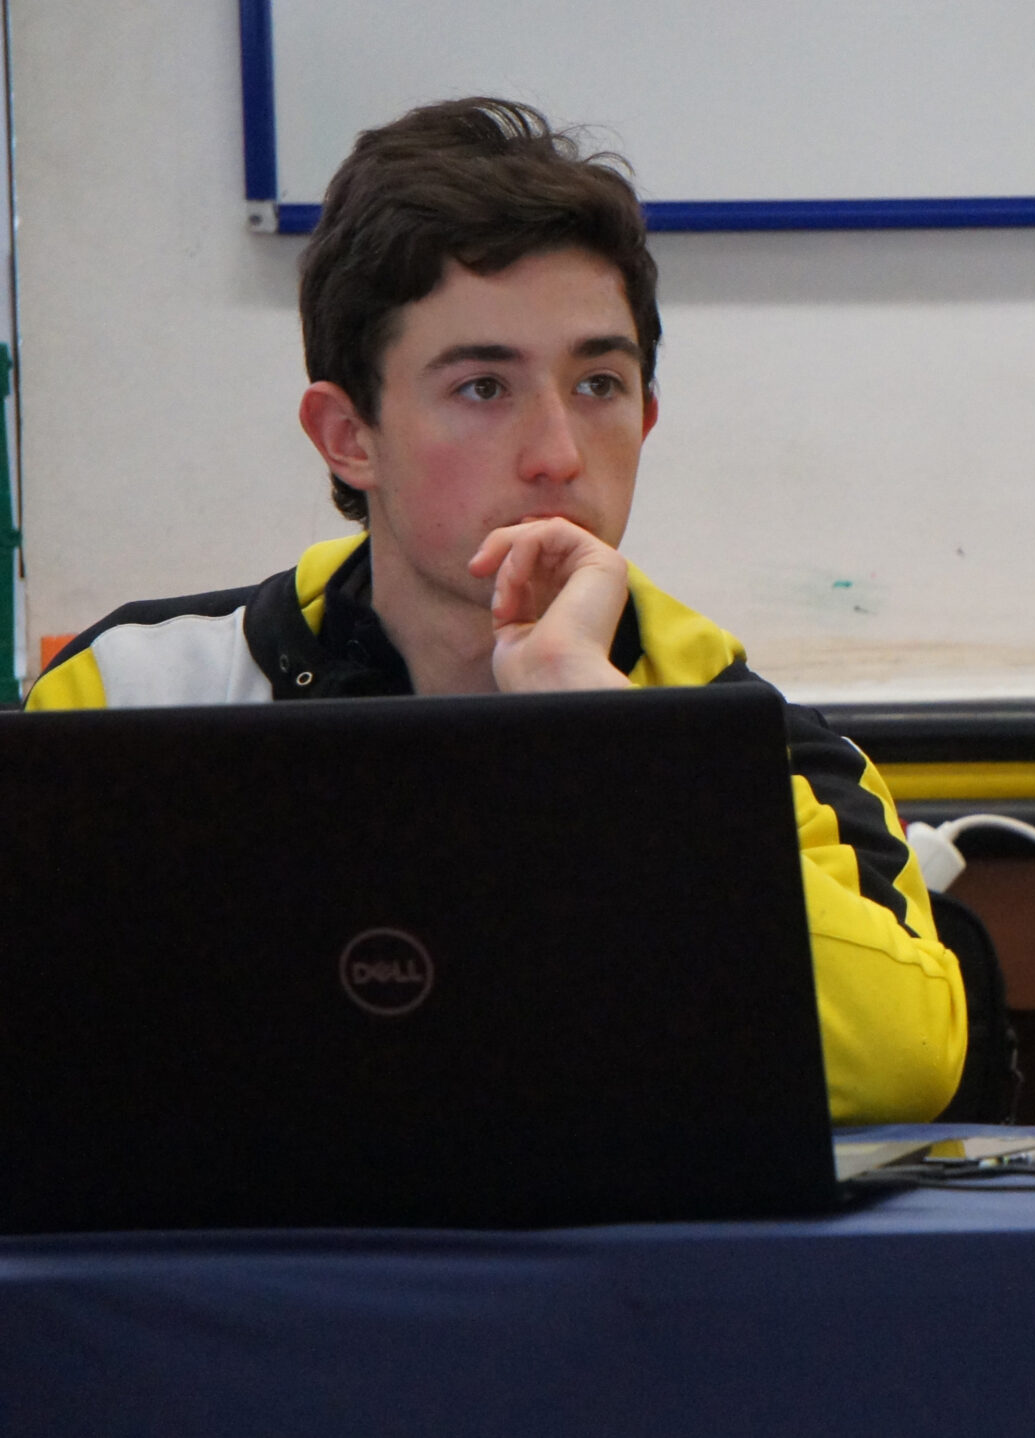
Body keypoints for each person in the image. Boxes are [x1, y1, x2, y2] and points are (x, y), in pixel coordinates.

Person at [23, 99, 966, 1123]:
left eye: (599, 384)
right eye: (483, 388)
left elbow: (906, 1063)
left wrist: (609, 737)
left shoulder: (760, 746)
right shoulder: (131, 693)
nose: (558, 453)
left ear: (646, 416)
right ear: (348, 436)